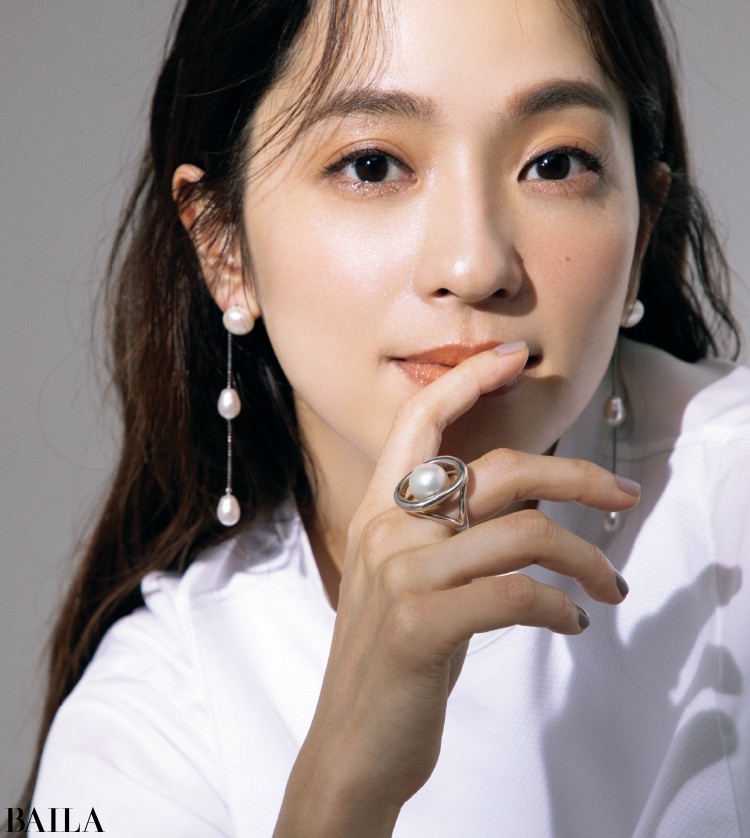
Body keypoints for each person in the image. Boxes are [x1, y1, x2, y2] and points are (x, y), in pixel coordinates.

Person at [14, 0, 749, 835]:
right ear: (224, 244)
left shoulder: (731, 504)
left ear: (643, 220)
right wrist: (342, 786)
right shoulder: (153, 721)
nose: (474, 266)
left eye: (554, 164)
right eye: (371, 166)